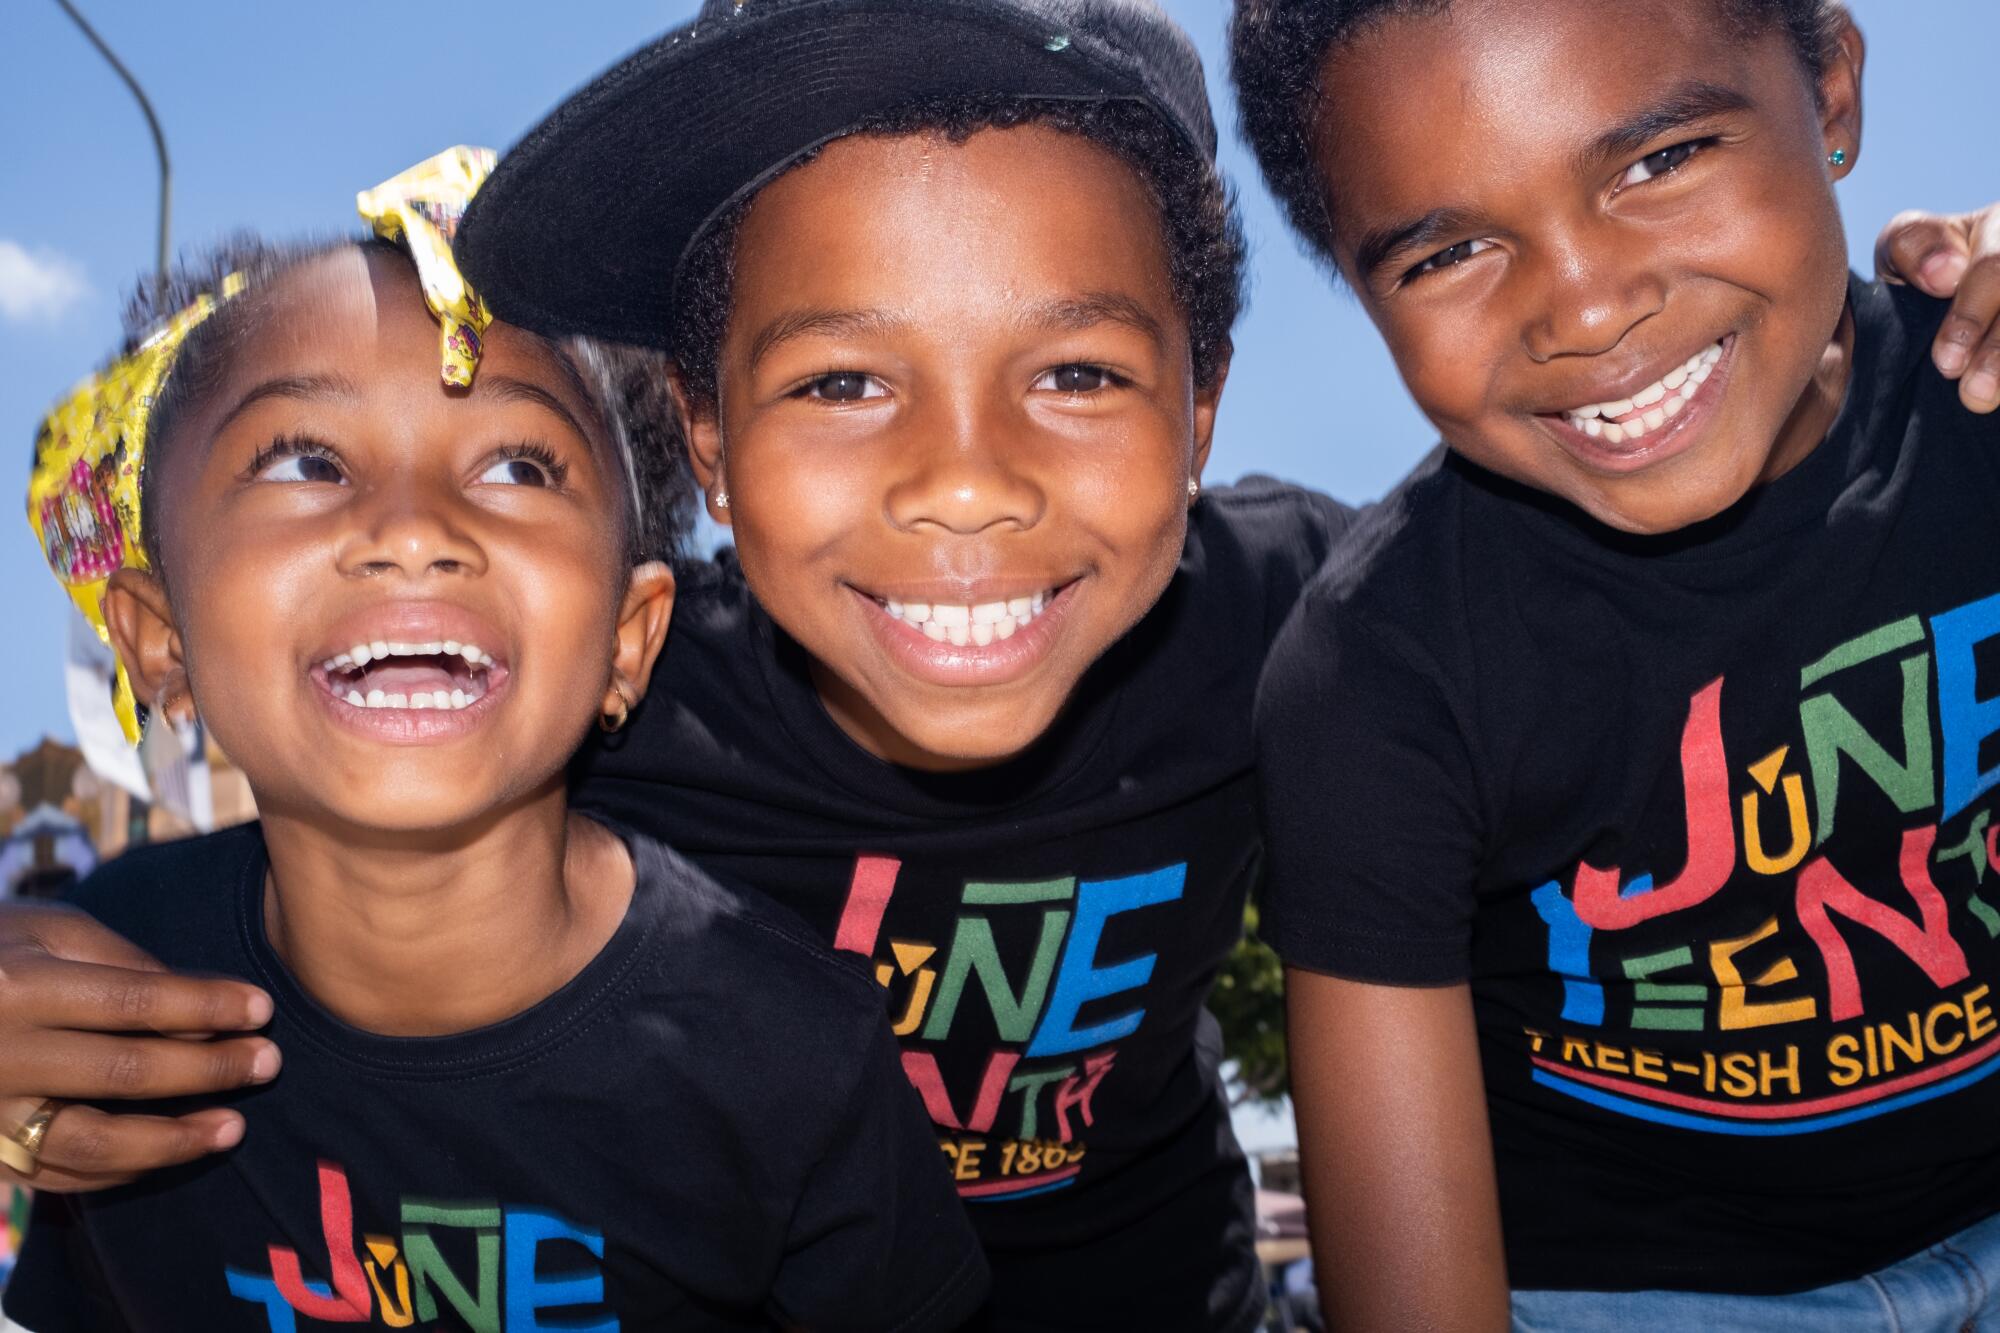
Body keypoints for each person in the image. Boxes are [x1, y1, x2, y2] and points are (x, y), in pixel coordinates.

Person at [1, 1, 1996, 1327]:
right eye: (844, 378)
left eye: (1075, 372)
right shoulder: (581, 713)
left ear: (1204, 400)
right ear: (699, 441)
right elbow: (316, 874)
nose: (965, 486)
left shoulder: (1321, 632)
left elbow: (1678, 570)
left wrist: (1929, 317)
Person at [0, 151, 986, 1332]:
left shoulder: (795, 1060)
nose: (411, 529)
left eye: (518, 465)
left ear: (629, 640)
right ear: (159, 640)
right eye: (304, 460)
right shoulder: (101, 984)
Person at [1232, 0, 2000, 1327]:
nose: (1586, 307)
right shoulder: (1377, 676)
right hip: (1625, 1292)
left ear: (1829, 94)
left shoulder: (1981, 411)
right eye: (1452, 250)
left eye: (1661, 161)